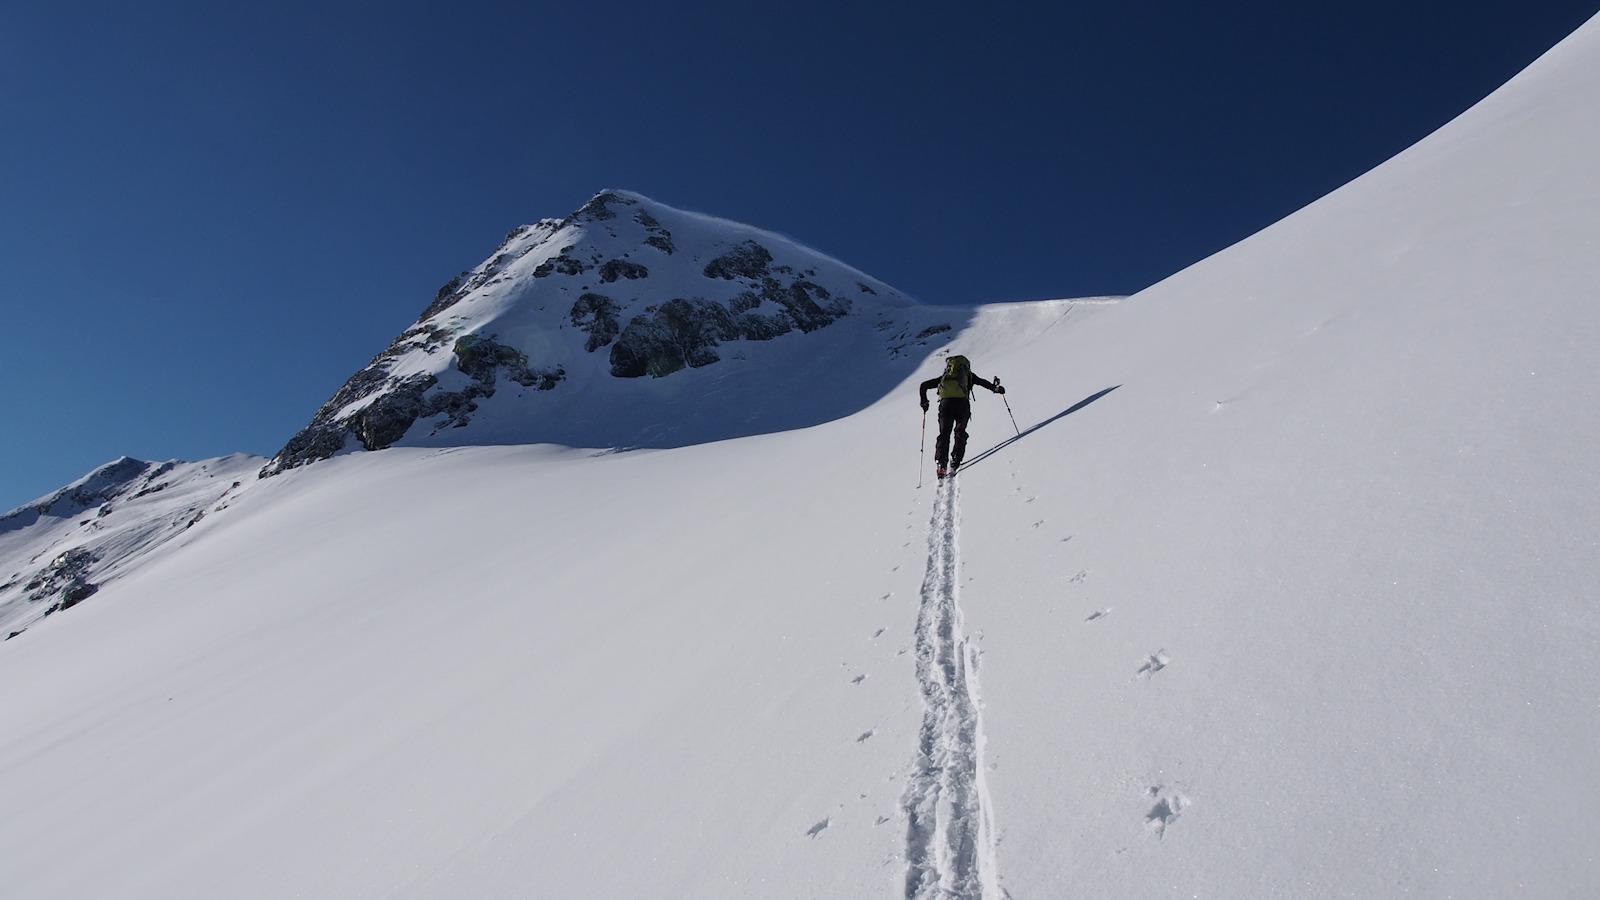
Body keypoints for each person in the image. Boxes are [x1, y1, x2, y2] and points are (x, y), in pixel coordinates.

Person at [919, 354, 1004, 478]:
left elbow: (924, 385)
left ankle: (941, 464)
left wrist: (924, 402)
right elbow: (983, 383)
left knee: (944, 434)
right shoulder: (968, 376)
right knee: (960, 432)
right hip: (962, 405)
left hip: (945, 405)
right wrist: (996, 389)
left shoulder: (945, 377)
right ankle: (956, 459)